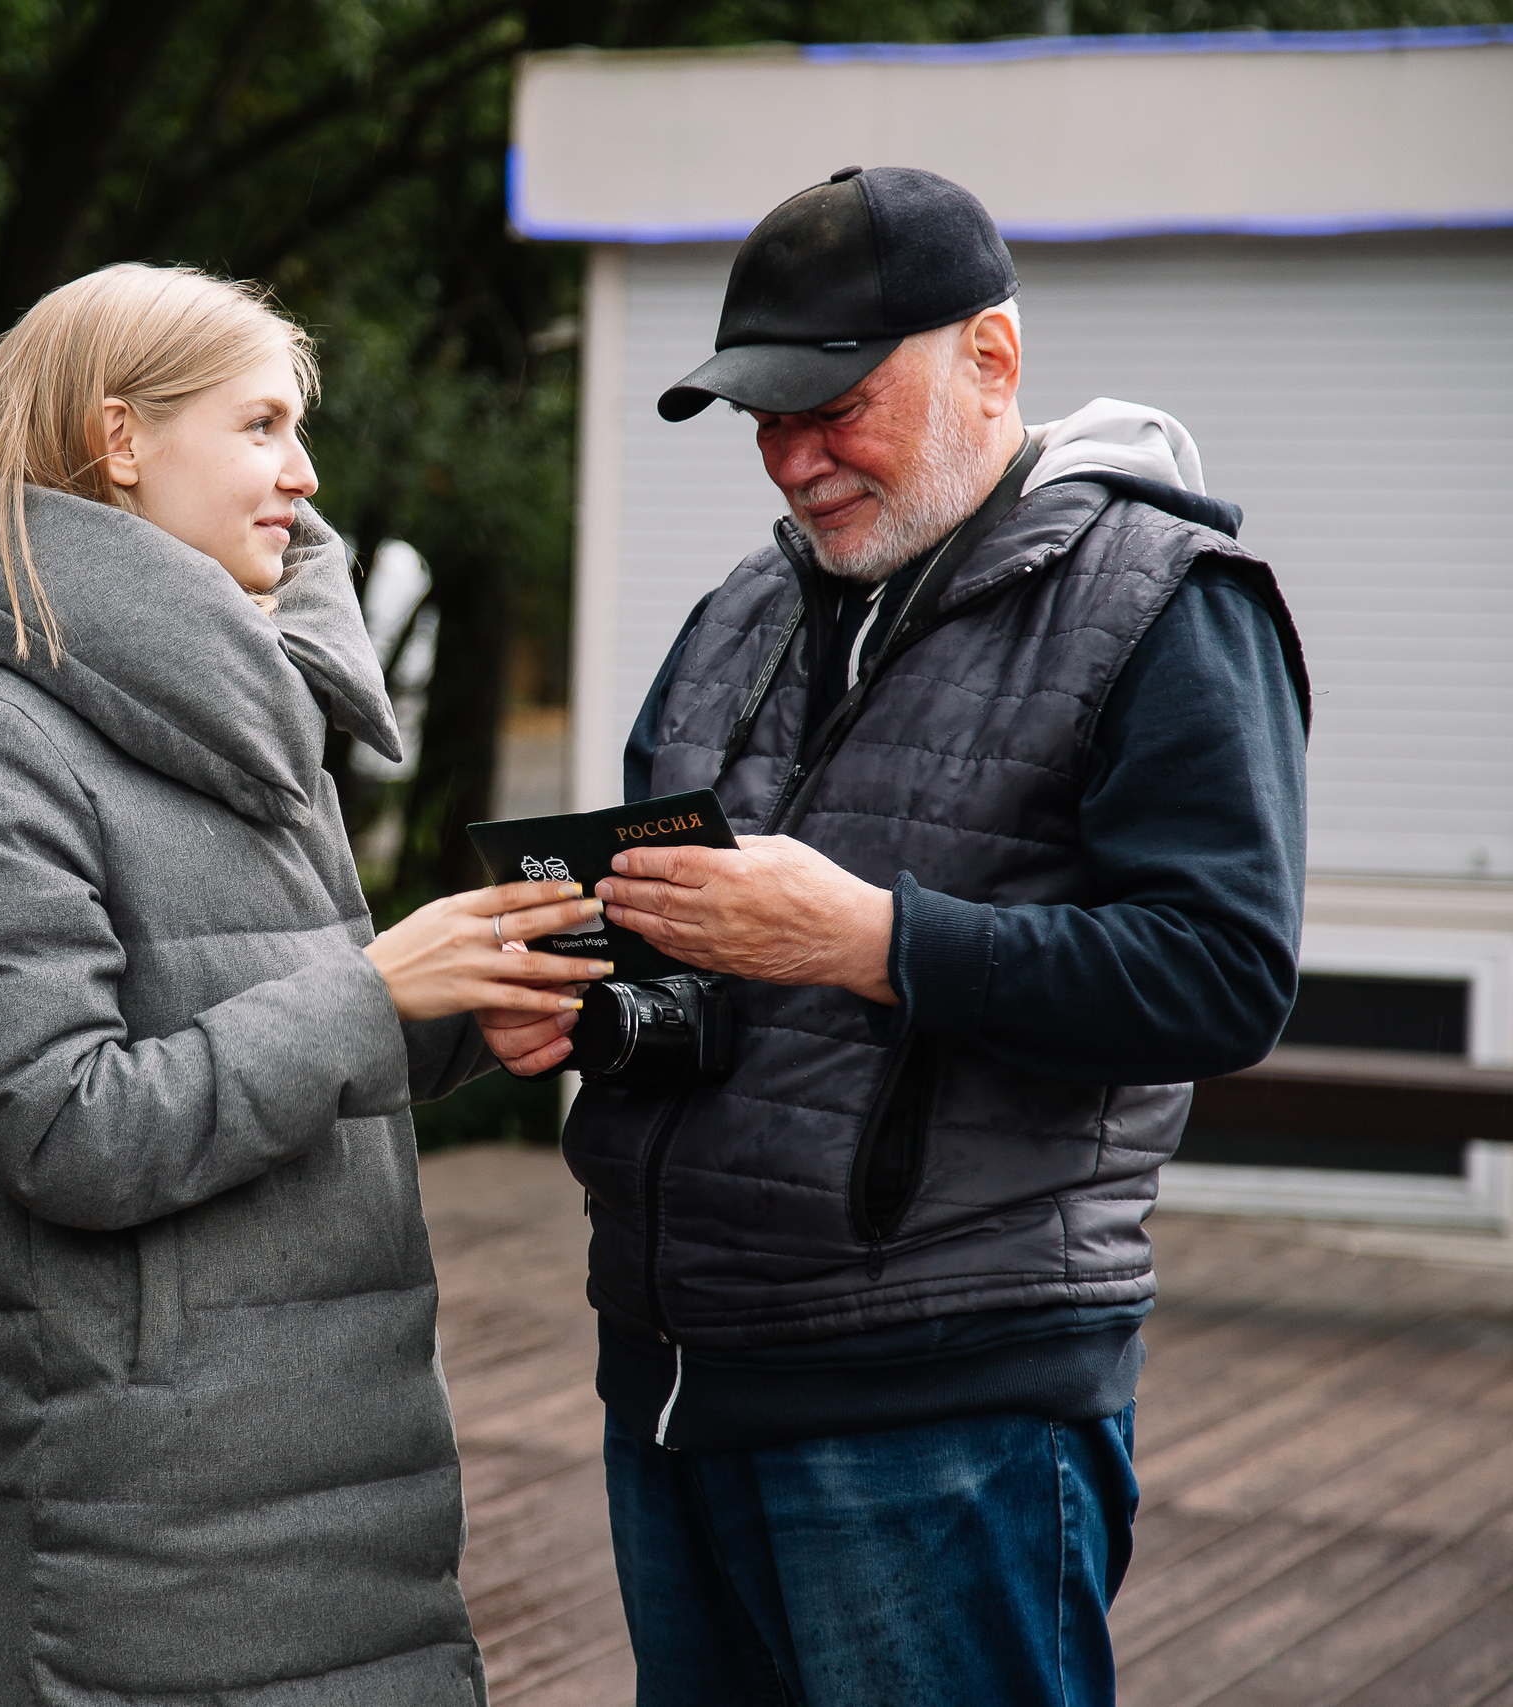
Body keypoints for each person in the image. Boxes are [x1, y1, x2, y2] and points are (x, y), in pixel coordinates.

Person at [478, 167, 1310, 1704]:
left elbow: (1224, 978)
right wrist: (590, 1007)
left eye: (833, 404)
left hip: (949, 1410)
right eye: (760, 417)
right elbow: (699, 965)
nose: (791, 459)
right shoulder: (742, 610)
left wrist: (871, 938)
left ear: (988, 359)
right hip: (671, 1383)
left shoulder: (1171, 600)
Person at [0, 262, 609, 1704]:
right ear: (124, 442)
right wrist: (369, 989)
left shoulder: (253, 715)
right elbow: (69, 1129)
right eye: (265, 426)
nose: (307, 471)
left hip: (360, 1477)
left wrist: (460, 1002)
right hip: (155, 1530)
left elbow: (261, 1033)